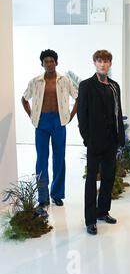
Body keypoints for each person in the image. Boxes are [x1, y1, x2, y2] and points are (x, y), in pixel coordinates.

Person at [21, 49, 78, 207]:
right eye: (46, 61)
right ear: (42, 64)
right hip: (42, 122)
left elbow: (78, 97)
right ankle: (43, 197)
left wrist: (70, 116)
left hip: (59, 122)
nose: (49, 63)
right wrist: (32, 116)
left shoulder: (64, 80)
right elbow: (24, 99)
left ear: (56, 62)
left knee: (59, 159)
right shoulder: (35, 81)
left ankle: (57, 194)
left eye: (51, 61)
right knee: (41, 160)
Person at [77, 50, 125, 235]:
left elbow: (117, 112)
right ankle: (90, 220)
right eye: (99, 61)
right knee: (91, 180)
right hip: (94, 141)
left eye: (106, 61)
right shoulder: (86, 85)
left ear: (110, 63)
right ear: (94, 63)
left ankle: (103, 211)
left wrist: (120, 137)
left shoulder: (114, 86)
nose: (102, 64)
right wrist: (87, 137)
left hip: (111, 140)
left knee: (108, 177)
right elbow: (82, 114)